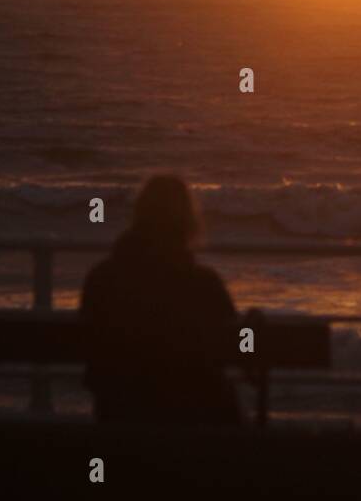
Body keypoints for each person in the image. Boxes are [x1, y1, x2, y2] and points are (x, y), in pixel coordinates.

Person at [80, 175, 241, 425]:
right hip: (193, 422)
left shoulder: (101, 278)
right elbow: (234, 349)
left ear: (139, 215)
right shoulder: (203, 284)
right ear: (187, 221)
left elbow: (92, 361)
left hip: (120, 418)